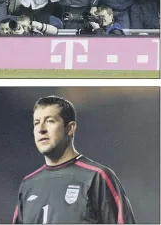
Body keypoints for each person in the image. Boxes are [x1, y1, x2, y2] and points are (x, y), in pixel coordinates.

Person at [12, 95, 135, 224]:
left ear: (70, 128)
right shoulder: (28, 185)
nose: (41, 129)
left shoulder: (97, 177)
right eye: (36, 123)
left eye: (50, 121)